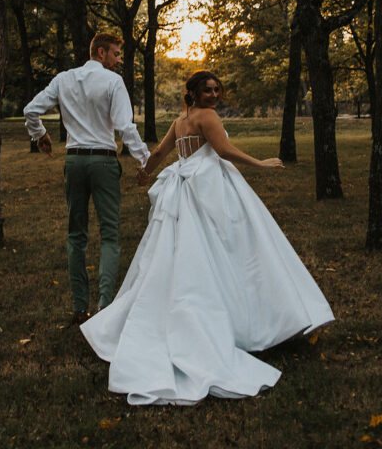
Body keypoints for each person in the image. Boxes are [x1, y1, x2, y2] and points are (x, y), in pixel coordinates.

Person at [80, 70, 334, 405]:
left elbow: (161, 152)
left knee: (185, 250)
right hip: (211, 186)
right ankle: (248, 323)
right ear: (194, 93)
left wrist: (146, 172)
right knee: (234, 248)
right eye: (207, 90)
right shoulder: (207, 117)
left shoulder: (180, 120)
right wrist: (262, 164)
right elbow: (224, 151)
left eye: (216, 90)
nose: (214, 95)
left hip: (187, 186)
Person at [23, 32, 150, 325]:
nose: (119, 61)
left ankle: (80, 308)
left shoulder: (63, 79)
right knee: (109, 234)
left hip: (74, 161)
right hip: (103, 162)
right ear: (102, 52)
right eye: (116, 54)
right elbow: (124, 126)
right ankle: (105, 308)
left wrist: (40, 135)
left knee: (76, 236)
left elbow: (31, 110)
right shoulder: (112, 81)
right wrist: (145, 159)